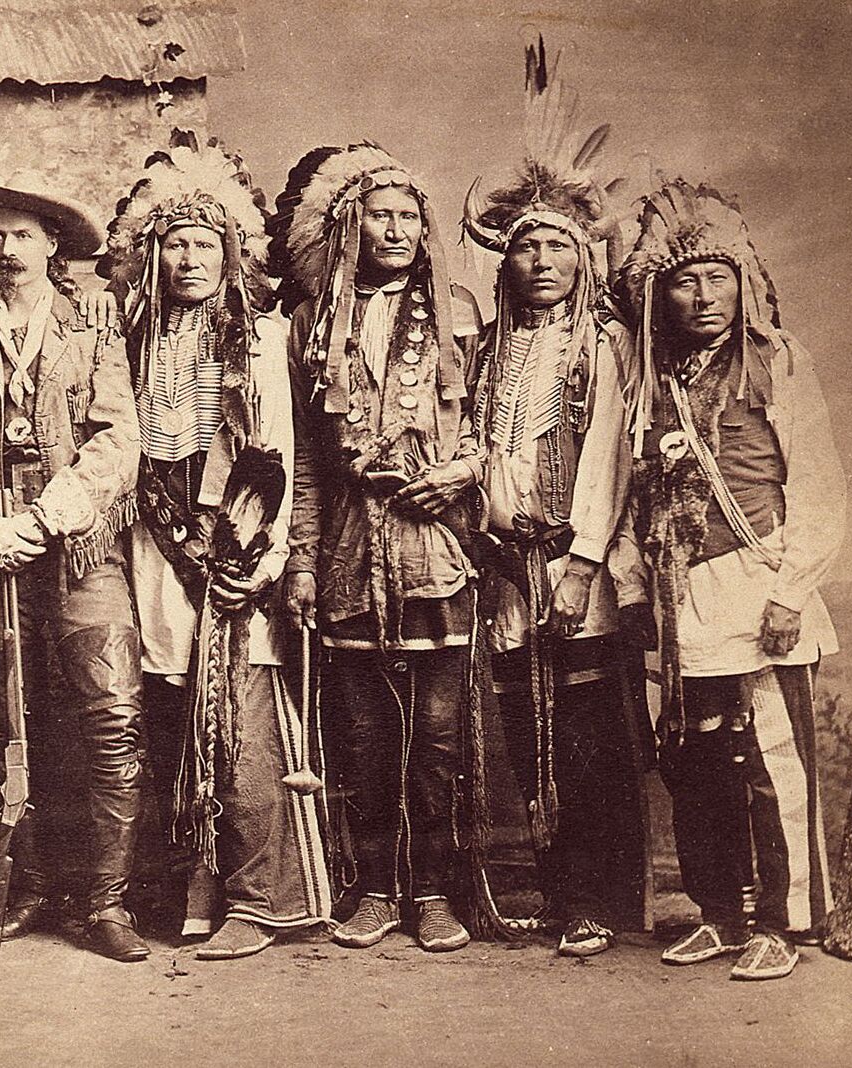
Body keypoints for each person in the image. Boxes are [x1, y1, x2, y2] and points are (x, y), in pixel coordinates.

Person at [100, 131, 331, 959]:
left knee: (242, 717)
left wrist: (262, 561)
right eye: (174, 245)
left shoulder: (263, 339)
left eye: (204, 244)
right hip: (154, 550)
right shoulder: (134, 336)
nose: (189, 259)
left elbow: (280, 458)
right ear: (153, 256)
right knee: (173, 714)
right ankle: (194, 887)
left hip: (236, 545)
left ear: (230, 253)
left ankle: (262, 899)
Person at [0, 176, 149, 962]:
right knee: (15, 726)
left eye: (22, 235)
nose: (6, 249)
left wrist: (46, 516)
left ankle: (108, 902)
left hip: (80, 555)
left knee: (112, 717)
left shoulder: (94, 328)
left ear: (53, 246)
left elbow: (120, 439)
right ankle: (33, 887)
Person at [622, 178, 845, 981]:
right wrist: (637, 592)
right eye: (685, 280)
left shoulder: (778, 360)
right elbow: (633, 491)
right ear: (662, 293)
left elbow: (816, 482)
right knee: (694, 763)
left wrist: (789, 592)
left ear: (743, 280)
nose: (704, 294)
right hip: (682, 595)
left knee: (769, 758)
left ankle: (784, 923)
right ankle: (718, 911)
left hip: (761, 580)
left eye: (718, 276)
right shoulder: (649, 377)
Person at [460, 46, 651, 958]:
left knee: (585, 731)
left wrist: (581, 563)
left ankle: (600, 899)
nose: (539, 260)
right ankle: (548, 882)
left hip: (579, 563)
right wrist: (493, 536)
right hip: (504, 562)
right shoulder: (487, 354)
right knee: (520, 724)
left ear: (583, 262)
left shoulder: (604, 346)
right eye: (526, 246)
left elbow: (608, 451)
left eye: (556, 248)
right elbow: (481, 451)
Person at [273, 143, 486, 952]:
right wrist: (300, 560)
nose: (395, 230)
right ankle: (374, 891)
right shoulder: (309, 324)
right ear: (349, 226)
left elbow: (495, 420)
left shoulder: (456, 310)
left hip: (437, 549)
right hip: (349, 554)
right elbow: (303, 457)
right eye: (378, 215)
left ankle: (433, 892)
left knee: (436, 739)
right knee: (362, 737)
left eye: (408, 216)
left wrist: (464, 469)